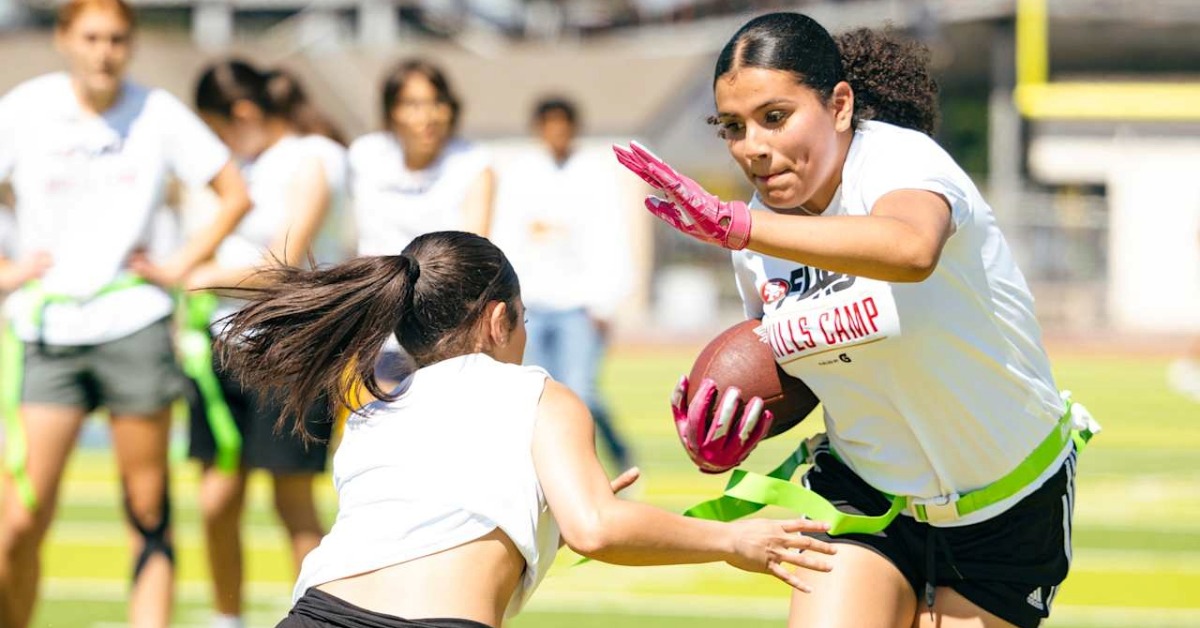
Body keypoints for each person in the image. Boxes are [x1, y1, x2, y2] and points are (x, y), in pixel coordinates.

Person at [614, 13, 1098, 628]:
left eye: (774, 116)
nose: (752, 147)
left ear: (839, 105)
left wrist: (739, 224)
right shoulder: (755, 240)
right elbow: (802, 372)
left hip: (1005, 502)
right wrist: (735, 426)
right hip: (866, 495)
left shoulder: (898, 159)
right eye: (732, 128)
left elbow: (912, 248)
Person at [212, 230, 837, 628]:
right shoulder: (536, 391)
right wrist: (733, 541)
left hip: (312, 613)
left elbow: (432, 530)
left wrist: (544, 521)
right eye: (523, 318)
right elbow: (599, 529)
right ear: (496, 319)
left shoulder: (376, 411)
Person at [0, 0, 251, 625]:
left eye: (116, 38)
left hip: (132, 326)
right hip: (45, 331)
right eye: (89, 37)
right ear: (63, 39)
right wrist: (6, 274)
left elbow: (233, 193)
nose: (103, 51)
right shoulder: (26, 108)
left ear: (131, 45)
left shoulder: (158, 112)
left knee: (146, 511)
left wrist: (179, 266)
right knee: (18, 522)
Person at [186, 58, 349, 628]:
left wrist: (196, 273)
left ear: (244, 112)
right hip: (222, 346)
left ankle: (319, 620)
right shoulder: (243, 165)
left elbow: (287, 264)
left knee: (293, 505)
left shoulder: (315, 156)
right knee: (215, 502)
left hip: (290, 351)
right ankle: (225, 619)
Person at [491, 96, 634, 470]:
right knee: (535, 393)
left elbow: (612, 239)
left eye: (562, 124)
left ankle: (602, 459)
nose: (556, 132)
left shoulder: (595, 174)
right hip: (533, 307)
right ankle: (548, 470)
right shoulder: (522, 174)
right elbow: (507, 237)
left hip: (579, 307)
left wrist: (605, 301)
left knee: (581, 392)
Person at [348, 58, 494, 385]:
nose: (427, 116)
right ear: (391, 111)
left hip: (444, 323)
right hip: (381, 316)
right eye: (412, 105)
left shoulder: (472, 162)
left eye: (436, 103)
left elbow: (472, 250)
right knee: (382, 421)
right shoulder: (366, 155)